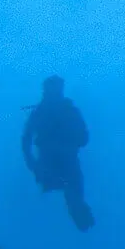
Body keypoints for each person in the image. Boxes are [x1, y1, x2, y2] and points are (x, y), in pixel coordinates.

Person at [21, 75, 94, 231]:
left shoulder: (49, 112)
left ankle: (81, 219)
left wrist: (32, 164)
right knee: (73, 197)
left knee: (73, 198)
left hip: (60, 165)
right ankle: (81, 219)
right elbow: (26, 141)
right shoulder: (61, 111)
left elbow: (84, 138)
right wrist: (33, 165)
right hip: (56, 166)